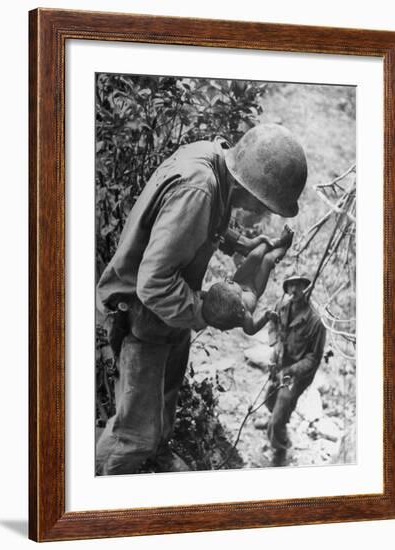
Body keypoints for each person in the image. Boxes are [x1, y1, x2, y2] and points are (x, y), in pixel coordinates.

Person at [95, 123, 308, 475]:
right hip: (142, 317)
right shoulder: (200, 189)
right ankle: (104, 494)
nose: (267, 213)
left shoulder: (216, 163)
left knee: (164, 403)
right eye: (268, 205)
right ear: (252, 190)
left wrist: (240, 244)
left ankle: (155, 457)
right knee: (133, 435)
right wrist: (206, 312)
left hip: (167, 316)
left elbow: (203, 222)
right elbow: (154, 284)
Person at [259, 274, 326, 465]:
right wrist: (276, 343)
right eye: (291, 286)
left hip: (298, 375)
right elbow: (273, 323)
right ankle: (277, 421)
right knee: (270, 397)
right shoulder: (283, 306)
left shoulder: (315, 321)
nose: (294, 290)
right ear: (286, 289)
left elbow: (314, 358)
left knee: (284, 403)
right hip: (280, 362)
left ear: (306, 288)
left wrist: (290, 371)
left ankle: (280, 446)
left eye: (299, 286)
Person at [201, 225, 294, 335]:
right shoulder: (245, 317)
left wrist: (202, 294)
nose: (228, 281)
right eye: (229, 284)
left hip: (240, 280)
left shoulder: (222, 299)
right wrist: (266, 317)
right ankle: (284, 246)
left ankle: (277, 242)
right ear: (241, 308)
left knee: (255, 255)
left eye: (227, 282)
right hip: (254, 289)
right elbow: (251, 331)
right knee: (268, 260)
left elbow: (206, 296)